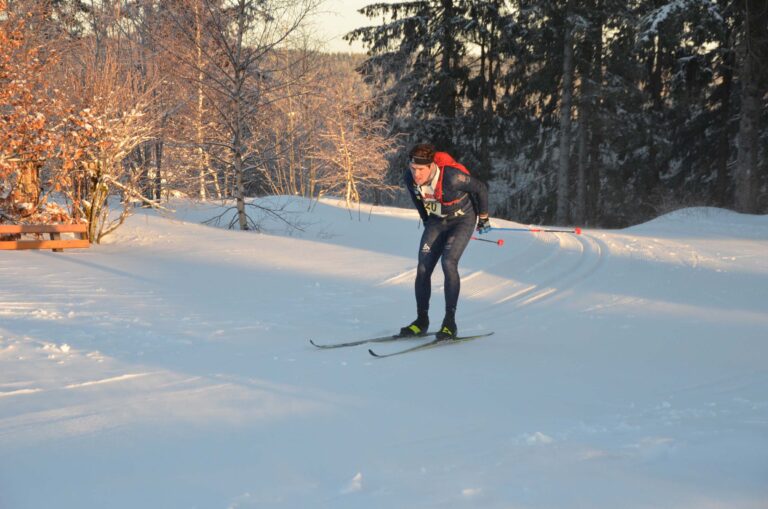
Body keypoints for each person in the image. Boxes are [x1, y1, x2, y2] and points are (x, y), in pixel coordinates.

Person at [400, 143, 490, 340]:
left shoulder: (451, 177)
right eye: (413, 169)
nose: (416, 174)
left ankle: (450, 323)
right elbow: (418, 201)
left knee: (448, 263)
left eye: (421, 170)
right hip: (437, 221)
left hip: (462, 220)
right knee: (423, 268)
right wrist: (427, 221)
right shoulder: (410, 178)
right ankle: (421, 321)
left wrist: (483, 217)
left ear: (432, 166)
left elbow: (481, 188)